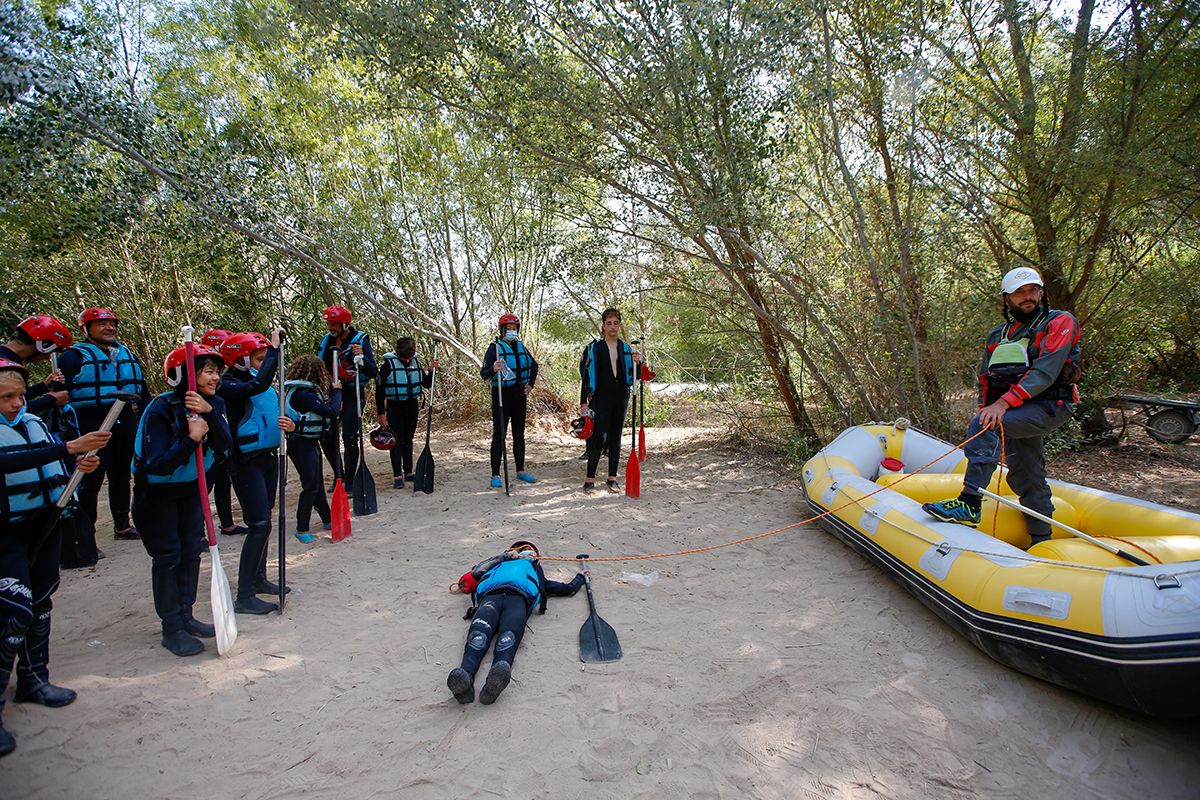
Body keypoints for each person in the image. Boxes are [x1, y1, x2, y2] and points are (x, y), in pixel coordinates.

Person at [923, 267, 1081, 548]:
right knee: (1026, 474)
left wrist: (999, 407)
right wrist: (987, 406)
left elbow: (1045, 373)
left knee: (987, 425)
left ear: (1041, 292)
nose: (1027, 297)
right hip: (1013, 411)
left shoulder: (1060, 321)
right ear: (1007, 299)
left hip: (1048, 405)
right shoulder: (999, 334)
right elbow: (987, 379)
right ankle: (1041, 542)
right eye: (1019, 293)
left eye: (1032, 290)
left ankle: (969, 503)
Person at [0, 359, 110, 757]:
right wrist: (67, 447)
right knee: (14, 610)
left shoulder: (33, 423)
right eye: (5, 398)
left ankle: (33, 680)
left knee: (42, 600)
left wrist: (78, 463)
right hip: (5, 532)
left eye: (17, 396)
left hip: (43, 524)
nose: (16, 404)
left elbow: (50, 460)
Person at [131, 344, 232, 656]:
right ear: (186, 374)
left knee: (191, 551)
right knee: (168, 557)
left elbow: (226, 445)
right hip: (157, 495)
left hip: (190, 491)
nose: (216, 377)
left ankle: (186, 616)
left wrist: (208, 414)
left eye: (218, 371)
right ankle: (171, 627)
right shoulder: (161, 408)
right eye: (209, 371)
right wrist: (191, 439)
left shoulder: (215, 404)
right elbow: (158, 463)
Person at [57, 307, 151, 554]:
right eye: (102, 324)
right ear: (86, 329)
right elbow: (59, 394)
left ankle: (122, 525)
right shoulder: (72, 357)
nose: (110, 328)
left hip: (124, 418)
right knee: (91, 478)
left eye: (112, 324)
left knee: (122, 474)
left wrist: (148, 417)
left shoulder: (126, 353)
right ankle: (86, 536)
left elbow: (142, 390)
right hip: (91, 421)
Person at [446, 540, 585, 705]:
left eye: (530, 550)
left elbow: (561, 587)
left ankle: (496, 678)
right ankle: (465, 678)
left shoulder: (534, 568)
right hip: (491, 597)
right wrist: (504, 557)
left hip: (518, 599)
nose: (526, 552)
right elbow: (477, 572)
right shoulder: (499, 563)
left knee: (508, 638)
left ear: (536, 557)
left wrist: (580, 578)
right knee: (478, 638)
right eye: (522, 549)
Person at [218, 330, 294, 615]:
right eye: (259, 358)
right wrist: (275, 350)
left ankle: (260, 579)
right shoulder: (228, 385)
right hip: (244, 462)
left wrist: (291, 426)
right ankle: (244, 595)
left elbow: (276, 407)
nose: (265, 364)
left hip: (267, 459)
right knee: (259, 524)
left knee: (266, 522)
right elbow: (259, 385)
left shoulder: (258, 384)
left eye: (265, 358)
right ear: (239, 360)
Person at [579, 308, 642, 492]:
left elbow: (637, 376)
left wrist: (639, 363)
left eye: (616, 323)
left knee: (615, 437)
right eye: (609, 323)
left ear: (619, 325)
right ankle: (589, 479)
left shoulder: (626, 349)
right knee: (598, 438)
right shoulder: (595, 348)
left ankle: (612, 478)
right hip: (600, 397)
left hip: (621, 396)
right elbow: (585, 376)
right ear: (603, 327)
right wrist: (583, 402)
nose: (612, 327)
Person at [315, 306, 377, 488]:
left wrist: (362, 357)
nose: (330, 328)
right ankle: (338, 475)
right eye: (328, 324)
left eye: (333, 324)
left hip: (352, 393)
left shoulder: (360, 340)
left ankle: (350, 480)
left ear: (345, 324)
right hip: (330, 392)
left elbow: (373, 371)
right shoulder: (326, 341)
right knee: (327, 436)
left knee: (350, 438)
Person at [284, 355, 342, 542]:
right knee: (310, 485)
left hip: (308, 442)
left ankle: (327, 519)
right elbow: (332, 412)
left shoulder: (305, 392)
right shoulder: (303, 394)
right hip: (300, 443)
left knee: (316, 484)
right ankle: (302, 528)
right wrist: (337, 392)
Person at [479, 314, 538, 488]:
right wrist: (493, 368)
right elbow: (484, 374)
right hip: (501, 394)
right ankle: (495, 474)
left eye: (514, 328)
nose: (512, 331)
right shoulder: (494, 348)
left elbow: (534, 366)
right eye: (508, 328)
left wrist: (530, 385)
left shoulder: (521, 347)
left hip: (519, 394)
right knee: (499, 435)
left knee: (519, 434)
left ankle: (520, 471)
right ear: (502, 330)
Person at [200, 329, 247, 538]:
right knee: (204, 484)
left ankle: (227, 523)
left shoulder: (223, 378)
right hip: (206, 440)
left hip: (224, 435)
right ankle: (198, 531)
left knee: (223, 481)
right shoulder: (216, 382)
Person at [375, 337, 437, 489]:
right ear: (398, 352)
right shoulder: (387, 366)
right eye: (405, 357)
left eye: (410, 357)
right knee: (396, 440)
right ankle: (397, 474)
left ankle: (408, 471)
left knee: (408, 439)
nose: (408, 360)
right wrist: (381, 414)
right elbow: (379, 391)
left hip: (411, 405)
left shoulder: (415, 362)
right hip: (394, 406)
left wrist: (432, 370)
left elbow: (427, 384)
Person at [1, 315, 73, 419]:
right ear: (45, 345)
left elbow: (14, 397)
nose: (48, 357)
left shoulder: (10, 359)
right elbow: (10, 409)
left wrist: (44, 386)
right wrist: (51, 400)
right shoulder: (6, 366)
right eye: (51, 352)